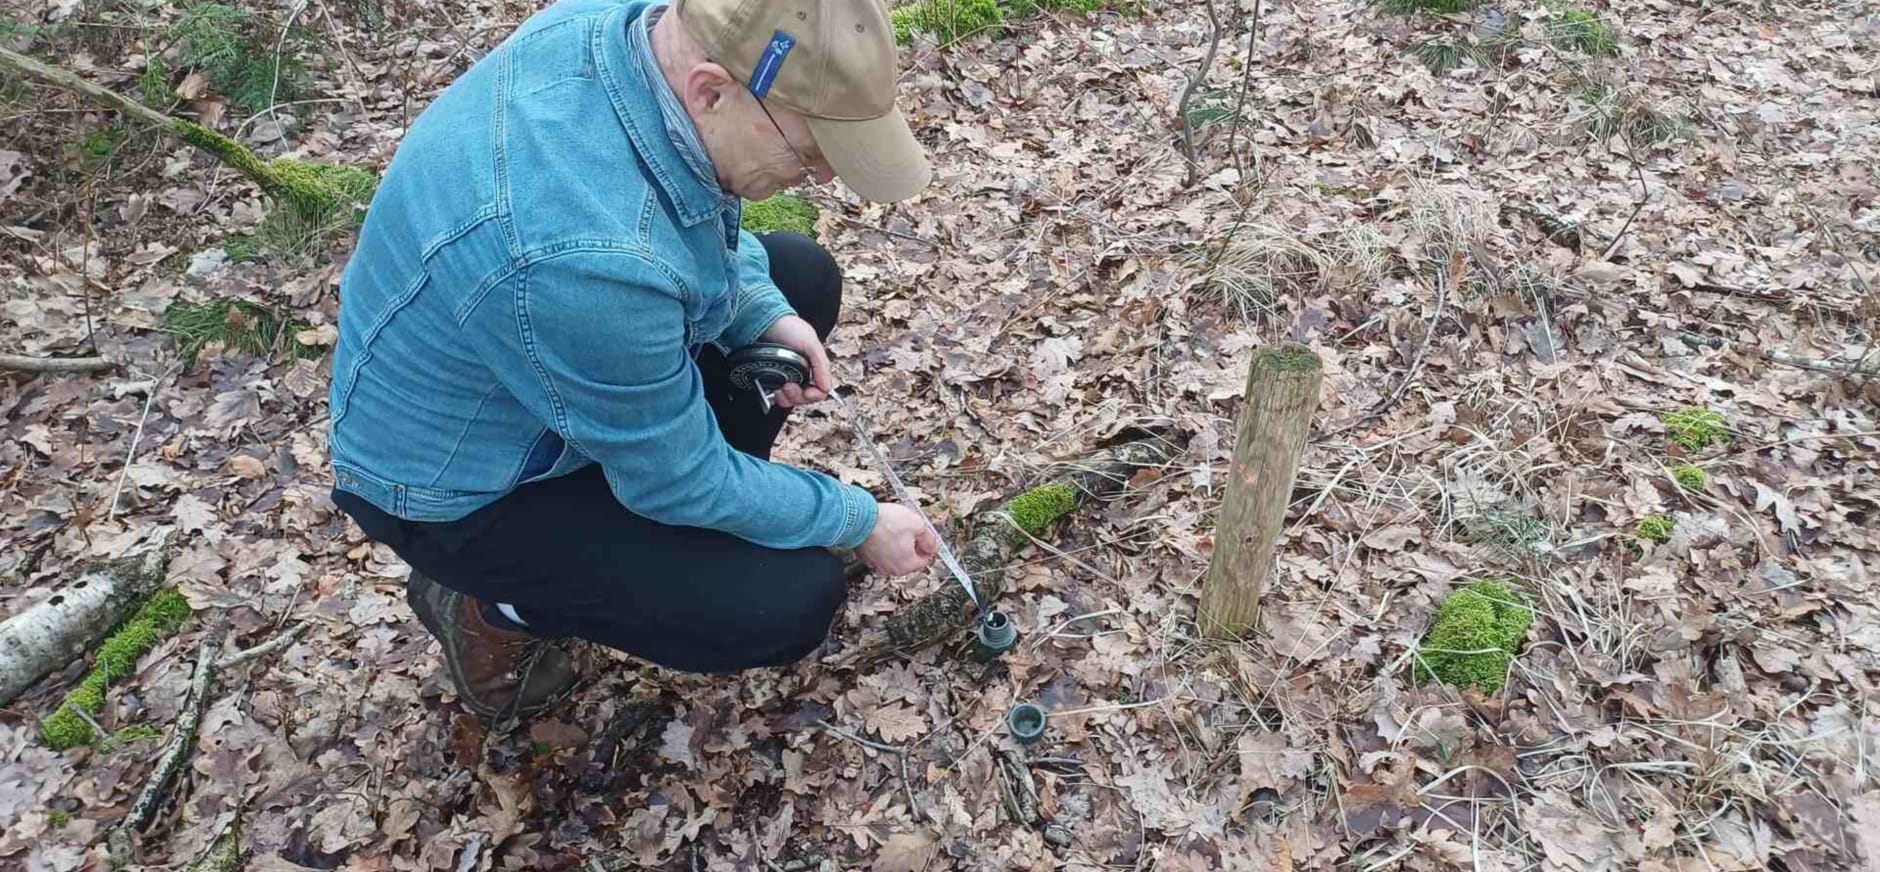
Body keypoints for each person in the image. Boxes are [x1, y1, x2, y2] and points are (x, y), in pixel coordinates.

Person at [327, 0, 940, 718]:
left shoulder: (643, 35)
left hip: (551, 371)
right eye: (809, 156)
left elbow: (681, 201)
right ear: (710, 90)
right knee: (788, 601)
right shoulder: (582, 264)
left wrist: (759, 310)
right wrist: (855, 519)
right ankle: (494, 608)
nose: (825, 179)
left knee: (796, 281)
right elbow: (678, 480)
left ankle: (686, 537)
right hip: (469, 489)